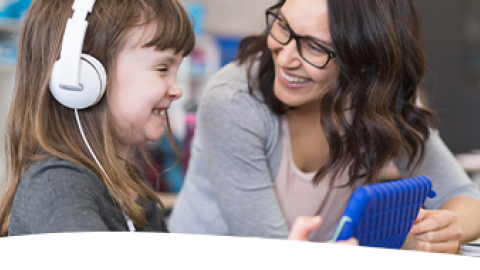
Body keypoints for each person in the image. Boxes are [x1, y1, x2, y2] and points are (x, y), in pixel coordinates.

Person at [0, 0, 357, 245]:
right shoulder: (57, 188)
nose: (175, 90)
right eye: (162, 68)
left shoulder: (129, 187)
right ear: (81, 79)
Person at [169, 0, 480, 254]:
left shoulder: (382, 98)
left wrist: (440, 229)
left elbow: (465, 197)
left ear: (364, 61)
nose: (286, 57)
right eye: (283, 26)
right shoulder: (234, 100)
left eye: (315, 47)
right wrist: (407, 243)